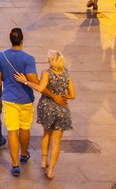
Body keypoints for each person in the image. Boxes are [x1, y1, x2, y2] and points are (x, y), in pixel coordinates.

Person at [0, 27, 39, 176]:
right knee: (25, 128)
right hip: (25, 99)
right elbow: (33, 80)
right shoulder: (28, 58)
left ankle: (14, 165)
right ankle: (24, 154)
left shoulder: (1, 56)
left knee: (12, 131)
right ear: (22, 41)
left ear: (10, 40)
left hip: (9, 99)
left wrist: (0, 93)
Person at [33, 50, 75, 180]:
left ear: (50, 61)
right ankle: (51, 170)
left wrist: (27, 82)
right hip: (62, 110)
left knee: (46, 134)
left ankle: (44, 161)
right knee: (56, 142)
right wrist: (63, 96)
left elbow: (41, 88)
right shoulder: (66, 75)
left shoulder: (46, 73)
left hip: (48, 108)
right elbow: (72, 95)